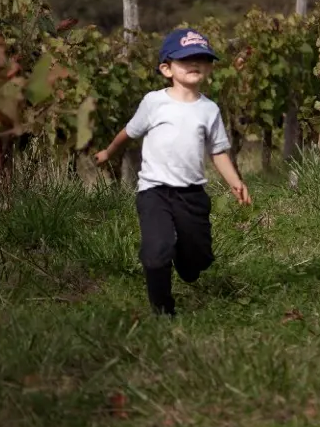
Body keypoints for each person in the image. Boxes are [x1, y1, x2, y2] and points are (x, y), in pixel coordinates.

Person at [95, 27, 252, 316]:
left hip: (192, 194)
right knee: (157, 253)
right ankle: (163, 311)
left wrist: (235, 181)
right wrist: (108, 152)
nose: (195, 64)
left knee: (198, 262)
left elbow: (217, 151)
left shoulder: (209, 110)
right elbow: (128, 133)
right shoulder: (154, 102)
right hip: (154, 192)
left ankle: (186, 260)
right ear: (166, 69)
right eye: (186, 59)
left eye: (202, 59)